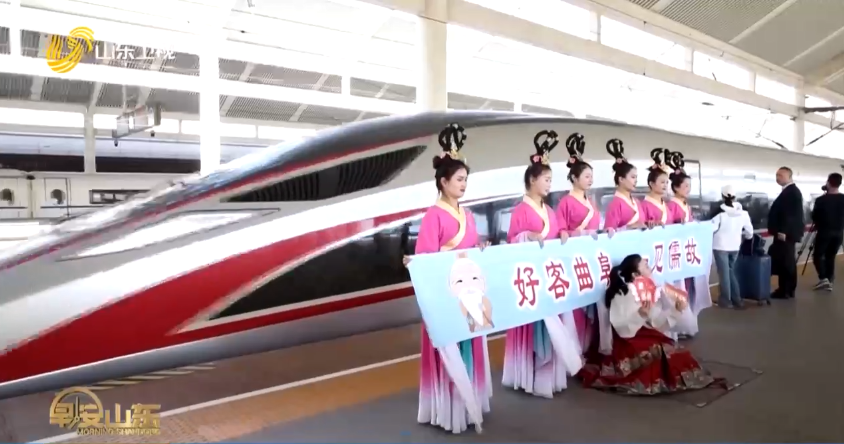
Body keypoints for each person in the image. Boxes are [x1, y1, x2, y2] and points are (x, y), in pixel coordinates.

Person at [408, 123, 491, 433]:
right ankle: (450, 410)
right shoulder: (433, 216)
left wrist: (480, 248)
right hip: (447, 297)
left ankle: (470, 405)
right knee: (451, 351)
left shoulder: (467, 215)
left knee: (470, 345)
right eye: (459, 179)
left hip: (470, 297)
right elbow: (427, 261)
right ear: (443, 182)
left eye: (466, 179)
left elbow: (470, 250)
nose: (464, 184)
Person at [502, 130, 582, 399]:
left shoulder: (549, 211)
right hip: (532, 279)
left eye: (550, 180)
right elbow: (512, 242)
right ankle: (530, 377)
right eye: (546, 180)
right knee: (534, 327)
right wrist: (527, 236)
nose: (549, 184)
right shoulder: (520, 210)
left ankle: (549, 377)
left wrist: (563, 234)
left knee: (553, 327)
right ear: (532, 180)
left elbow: (558, 234)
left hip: (550, 276)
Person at [579, 254, 720, 395]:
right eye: (646, 266)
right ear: (635, 274)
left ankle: (681, 377)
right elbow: (623, 330)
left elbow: (657, 323)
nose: (650, 268)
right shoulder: (624, 293)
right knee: (659, 353)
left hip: (645, 333)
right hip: (627, 342)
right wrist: (640, 315)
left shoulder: (648, 291)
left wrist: (676, 310)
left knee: (676, 351)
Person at [555, 133, 601, 353]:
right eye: (586, 176)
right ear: (574, 178)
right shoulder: (566, 202)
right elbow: (561, 231)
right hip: (574, 261)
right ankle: (577, 348)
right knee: (576, 305)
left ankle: (591, 346)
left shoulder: (591, 201)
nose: (590, 180)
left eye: (591, 176)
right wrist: (575, 234)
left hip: (591, 258)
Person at [665, 150, 713, 329]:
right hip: (677, 253)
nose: (688, 190)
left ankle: (689, 320)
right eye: (685, 186)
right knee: (678, 288)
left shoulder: (686, 205)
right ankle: (680, 324)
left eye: (689, 186)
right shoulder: (672, 205)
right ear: (676, 188)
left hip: (686, 253)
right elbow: (669, 230)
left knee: (688, 286)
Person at [710, 185, 754, 308]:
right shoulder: (743, 213)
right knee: (730, 271)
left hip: (720, 247)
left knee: (724, 274)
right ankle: (737, 299)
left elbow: (711, 228)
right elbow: (750, 232)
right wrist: (743, 238)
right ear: (735, 196)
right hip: (735, 247)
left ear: (722, 196)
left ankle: (726, 300)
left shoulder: (719, 213)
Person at [767, 166, 805, 300]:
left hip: (785, 234)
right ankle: (785, 289)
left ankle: (786, 290)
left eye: (781, 176)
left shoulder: (792, 192)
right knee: (785, 260)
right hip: (784, 233)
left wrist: (783, 231)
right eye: (776, 175)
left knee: (787, 261)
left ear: (789, 177)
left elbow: (791, 215)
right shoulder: (789, 191)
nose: (777, 178)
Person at [603, 139, 646, 232]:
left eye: (636, 177)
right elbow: (608, 232)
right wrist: (628, 228)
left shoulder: (637, 202)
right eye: (633, 177)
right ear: (621, 179)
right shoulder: (615, 204)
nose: (636, 180)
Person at [811, 173, 844, 291]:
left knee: (817, 255)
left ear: (828, 183)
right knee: (831, 256)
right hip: (839, 233)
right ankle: (830, 280)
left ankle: (823, 279)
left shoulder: (821, 200)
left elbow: (814, 217)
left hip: (824, 232)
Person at [638, 148, 670, 227]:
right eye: (662, 182)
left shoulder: (665, 205)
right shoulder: (643, 206)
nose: (665, 185)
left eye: (667, 182)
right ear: (652, 184)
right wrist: (647, 224)